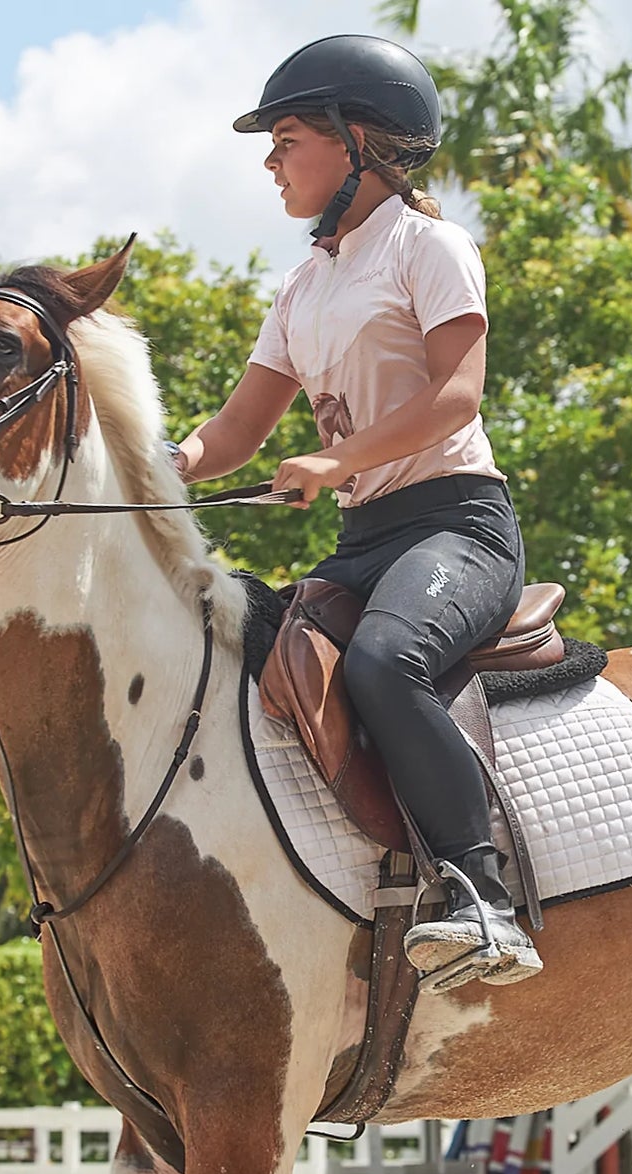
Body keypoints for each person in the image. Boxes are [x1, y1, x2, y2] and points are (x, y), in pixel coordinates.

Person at [170, 34, 541, 990]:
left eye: (286, 136)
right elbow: (239, 429)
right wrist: (167, 463)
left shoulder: (430, 247)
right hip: (366, 539)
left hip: (457, 526)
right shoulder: (303, 286)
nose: (269, 160)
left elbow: (458, 397)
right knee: (250, 664)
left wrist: (333, 459)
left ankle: (485, 901)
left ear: (357, 140)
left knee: (384, 660)